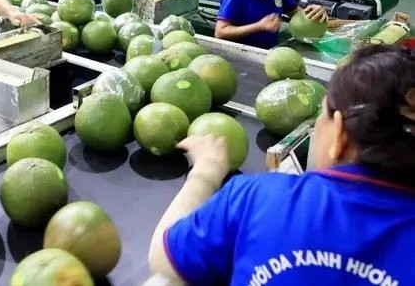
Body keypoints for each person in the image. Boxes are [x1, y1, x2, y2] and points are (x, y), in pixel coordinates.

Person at [147, 44, 415, 285]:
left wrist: (205, 173)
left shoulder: (260, 198)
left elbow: (163, 258)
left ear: (340, 135)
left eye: (321, 114)